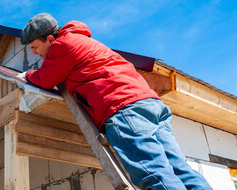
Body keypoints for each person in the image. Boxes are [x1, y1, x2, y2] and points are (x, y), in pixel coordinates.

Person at [18, 13, 213, 190]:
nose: (34, 53)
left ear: (50, 39)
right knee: (181, 171)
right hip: (150, 105)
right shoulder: (84, 41)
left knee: (156, 175)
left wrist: (27, 75)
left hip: (124, 110)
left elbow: (45, 78)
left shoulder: (63, 46)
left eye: (35, 47)